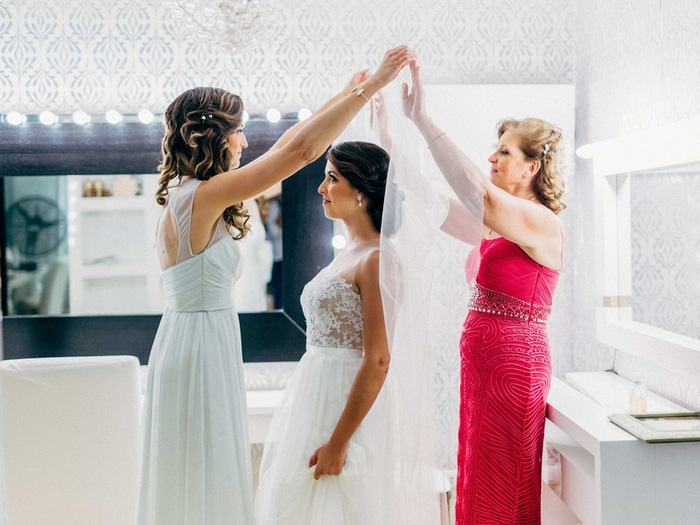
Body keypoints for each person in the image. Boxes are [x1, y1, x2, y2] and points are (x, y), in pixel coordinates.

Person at [138, 45, 416, 525]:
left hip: (192, 338)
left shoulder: (188, 196)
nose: (245, 144)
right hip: (201, 344)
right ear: (214, 137)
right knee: (207, 468)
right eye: (241, 132)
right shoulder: (199, 197)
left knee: (196, 469)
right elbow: (299, 152)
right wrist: (369, 88)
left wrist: (343, 94)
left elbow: (292, 141)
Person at [400, 62, 567, 524]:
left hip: (514, 369)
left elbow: (481, 196)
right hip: (482, 366)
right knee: (476, 475)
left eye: (504, 152)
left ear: (531, 167)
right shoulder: (495, 223)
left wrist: (425, 121)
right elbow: (432, 204)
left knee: (503, 486)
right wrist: (393, 140)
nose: (492, 159)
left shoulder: (542, 222)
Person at [255, 141, 441, 525]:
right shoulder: (348, 252)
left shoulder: (379, 259)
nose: (321, 188)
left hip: (346, 405)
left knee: (342, 502)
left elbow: (378, 358)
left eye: (331, 178)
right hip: (316, 396)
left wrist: (339, 443)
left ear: (360, 193)